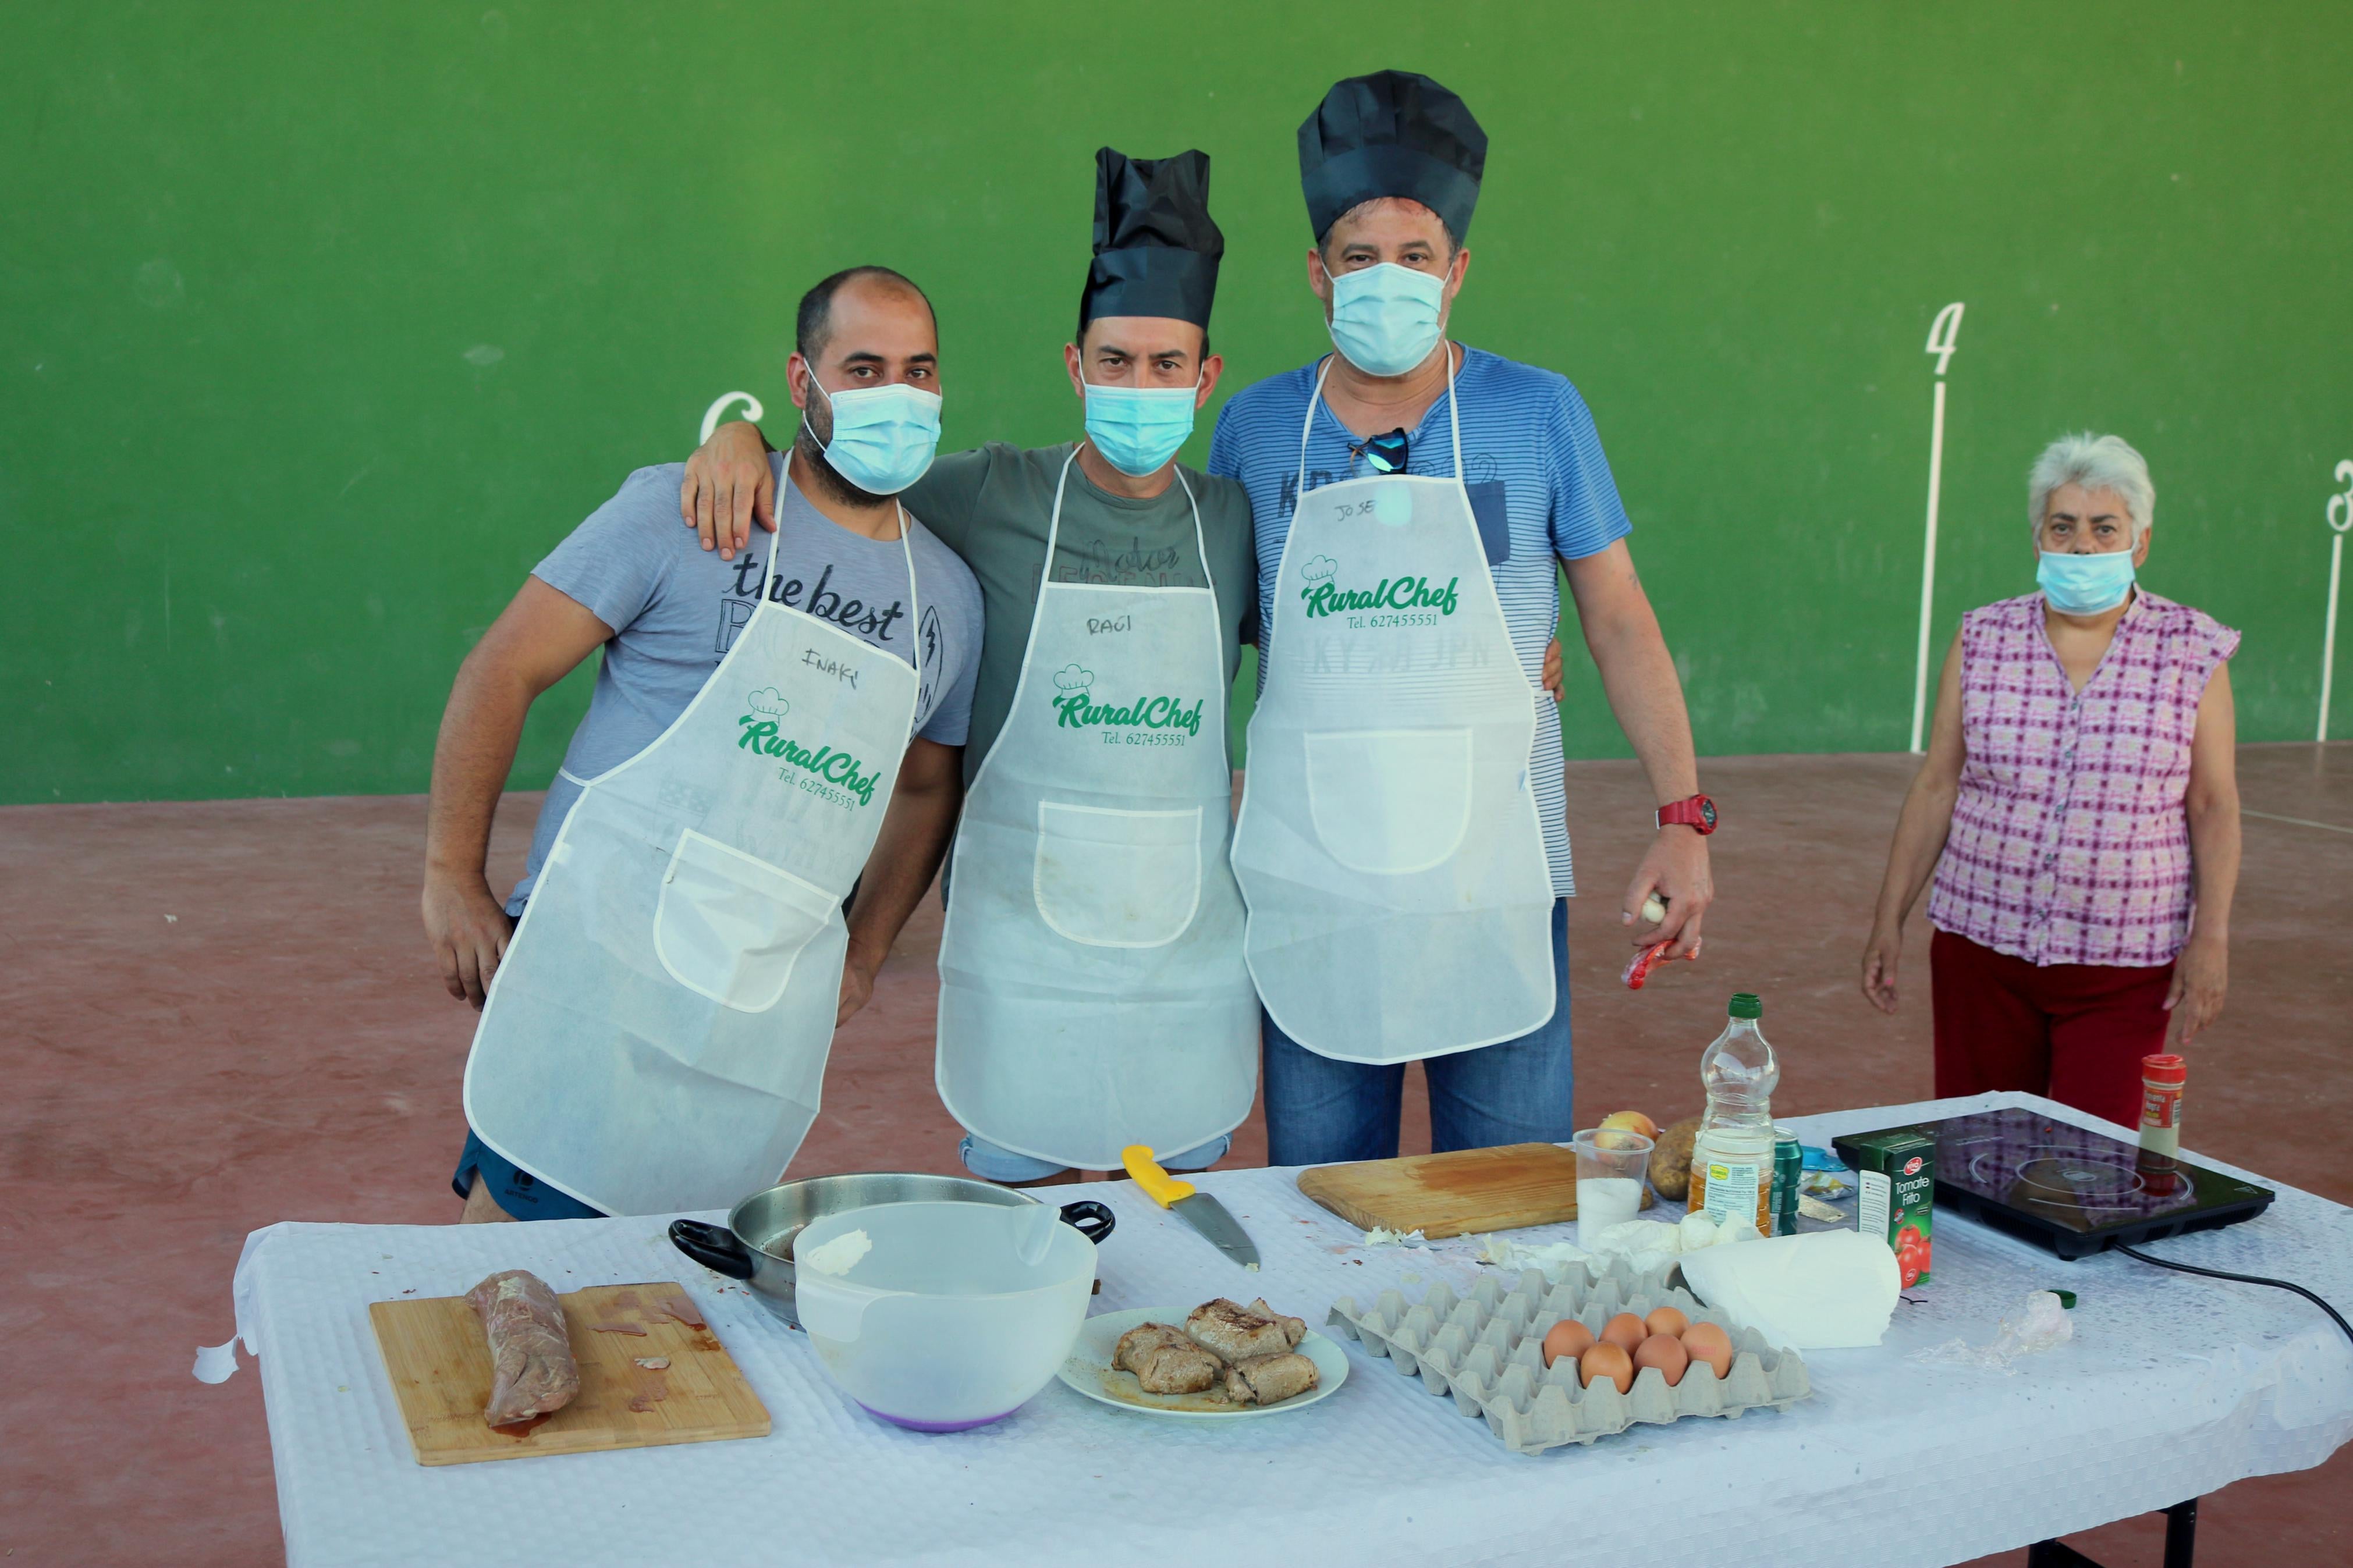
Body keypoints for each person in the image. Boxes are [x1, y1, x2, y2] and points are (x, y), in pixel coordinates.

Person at [677, 150, 1263, 1185]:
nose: (1140, 386)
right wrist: (739, 434)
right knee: (1025, 1234)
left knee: (1181, 1247)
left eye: (1165, 366)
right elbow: (834, 474)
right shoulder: (991, 492)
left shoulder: (1234, 521)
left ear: (1204, 378)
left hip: (1183, 948)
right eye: (1116, 362)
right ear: (1076, 369)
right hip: (1020, 947)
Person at [1211, 70, 1717, 1167]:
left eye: (1414, 256)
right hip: (1315, 877)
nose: (1383, 280)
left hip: (1495, 869)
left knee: (1511, 1198)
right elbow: (1220, 637)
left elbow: (1620, 622)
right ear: (1315, 273)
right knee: (1322, 1200)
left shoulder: (1537, 412)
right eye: (1357, 257)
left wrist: (1683, 815)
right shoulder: (1253, 431)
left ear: (1456, 273)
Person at [424, 265, 983, 1220]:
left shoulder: (946, 599)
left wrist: (862, 950)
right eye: (862, 368)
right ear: (801, 384)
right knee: (516, 1262)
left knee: (679, 1282)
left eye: (917, 370)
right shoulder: (687, 511)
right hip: (595, 962)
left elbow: (928, 788)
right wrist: (451, 874)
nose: (896, 395)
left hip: (755, 1004)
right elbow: (501, 670)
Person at [1861, 433, 2240, 1128]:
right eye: (2062, 527)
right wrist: (1889, 916)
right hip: (1982, 950)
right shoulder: (1982, 637)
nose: (2082, 547)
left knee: (2089, 1170)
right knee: (1979, 1154)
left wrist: (2209, 936)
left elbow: (2212, 805)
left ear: (2140, 543)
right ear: (2037, 540)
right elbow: (1937, 784)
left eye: (2104, 529)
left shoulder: (2192, 649)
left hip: (2123, 963)